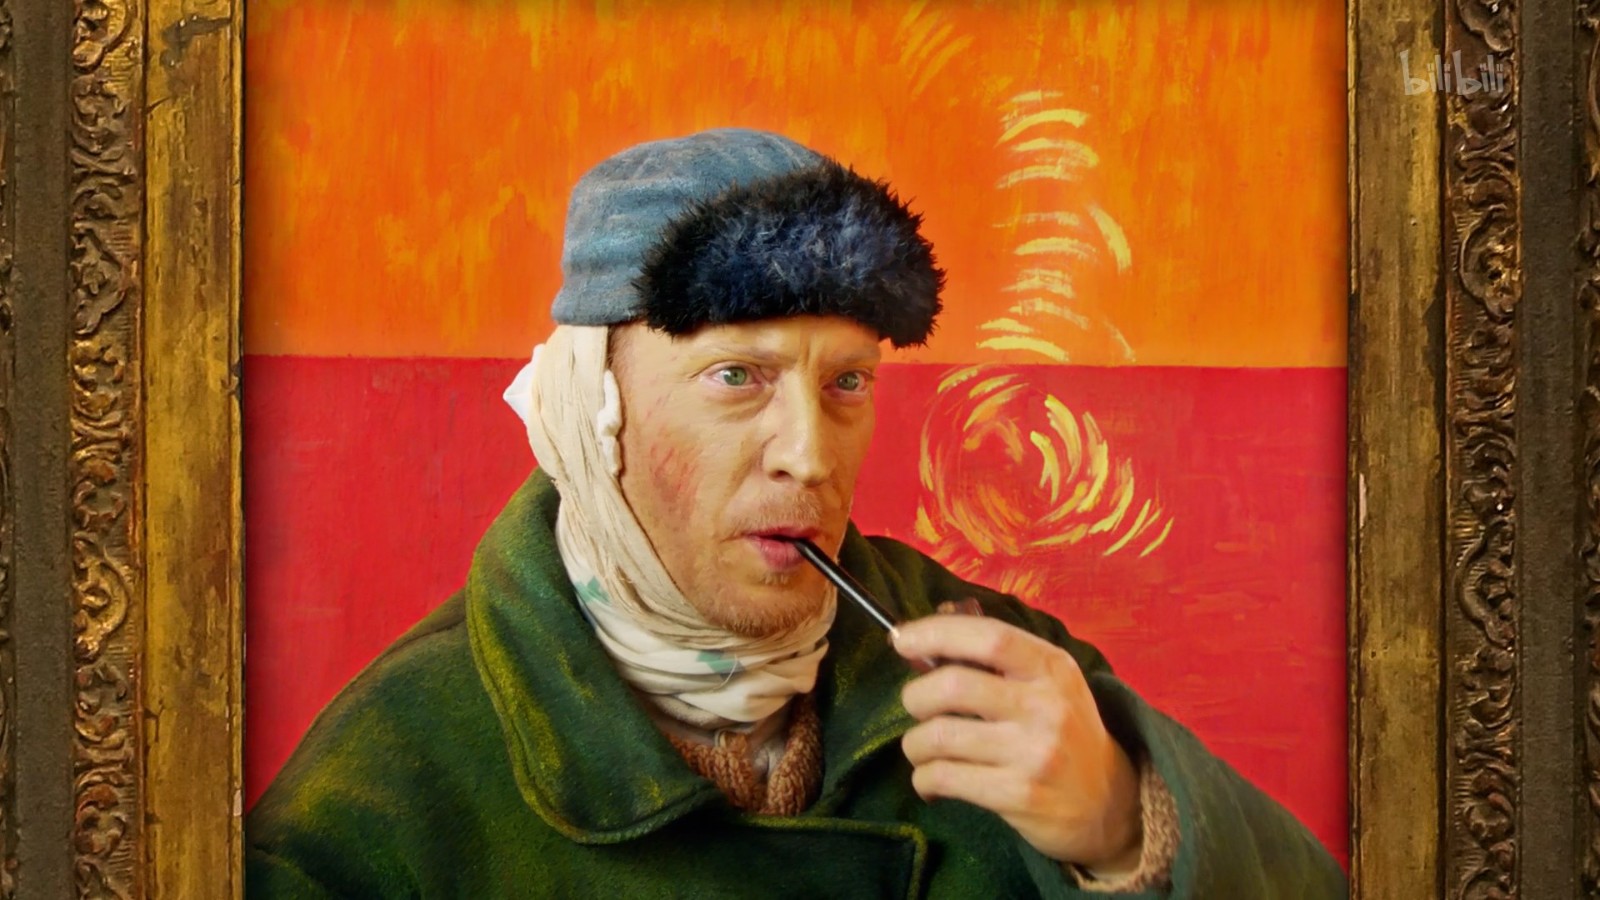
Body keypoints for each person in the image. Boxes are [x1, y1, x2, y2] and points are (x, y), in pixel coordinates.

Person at [246, 129, 1347, 898]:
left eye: (847, 382)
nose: (811, 456)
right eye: (737, 377)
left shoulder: (997, 667)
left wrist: (1124, 825)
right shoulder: (385, 788)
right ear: (592, 410)